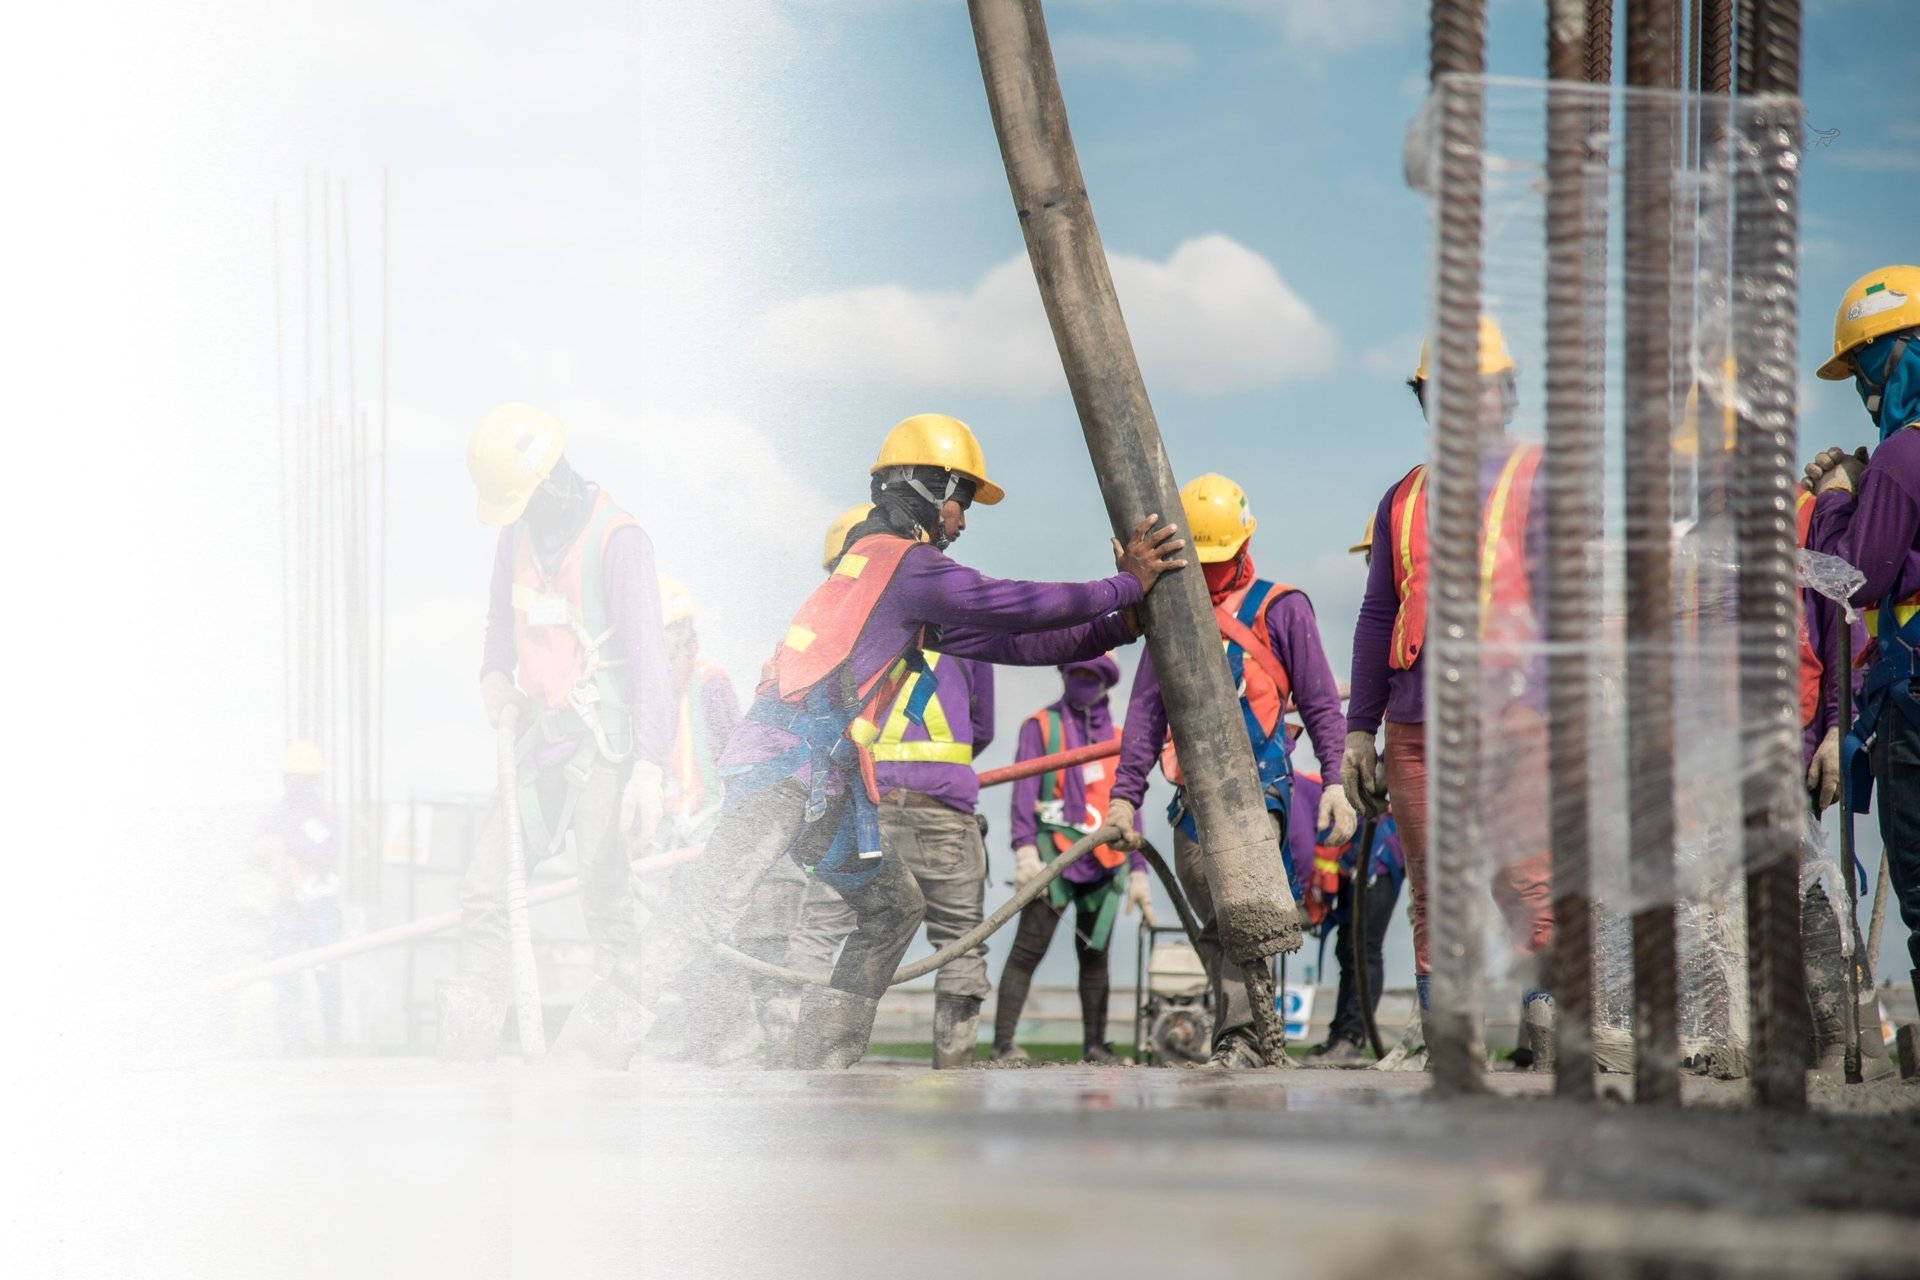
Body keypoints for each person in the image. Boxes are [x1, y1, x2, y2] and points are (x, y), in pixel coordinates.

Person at [555, 413, 1185, 1070]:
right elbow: (1013, 604)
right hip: (787, 774)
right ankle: (588, 1050)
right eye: (960, 499)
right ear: (924, 486)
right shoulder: (902, 566)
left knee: (891, 908)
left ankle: (823, 1057)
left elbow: (1013, 643)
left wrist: (1118, 624)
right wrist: (1123, 584)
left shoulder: (877, 570)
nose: (963, 520)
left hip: (813, 782)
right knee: (709, 907)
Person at [1341, 317, 1555, 1068]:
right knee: (1435, 891)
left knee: (1527, 881)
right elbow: (1377, 615)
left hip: (1517, 717)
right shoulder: (1402, 499)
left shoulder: (1541, 479)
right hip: (1418, 725)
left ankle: (1546, 1034)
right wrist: (1358, 731)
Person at [439, 403, 673, 1061]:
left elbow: (651, 659)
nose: (514, 513)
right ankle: (466, 1058)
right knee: (485, 893)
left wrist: (651, 768)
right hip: (540, 742)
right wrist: (493, 674)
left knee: (607, 906)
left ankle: (600, 1061)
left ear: (548, 481)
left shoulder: (619, 540)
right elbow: (497, 619)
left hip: (603, 749)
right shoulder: (513, 538)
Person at [1104, 473, 1355, 1069]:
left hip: (1257, 795)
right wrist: (1124, 797)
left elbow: (1320, 702)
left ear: (1244, 546)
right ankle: (1252, 1040)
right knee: (1218, 927)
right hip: (1190, 802)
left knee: (1243, 921)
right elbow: (1145, 712)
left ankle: (1241, 1040)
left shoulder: (1282, 609)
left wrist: (1337, 783)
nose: (1211, 571)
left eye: (1219, 558)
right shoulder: (1168, 610)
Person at [1803, 263, 1920, 1019]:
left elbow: (1854, 577)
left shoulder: (1904, 455)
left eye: (1868, 371)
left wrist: (1838, 495)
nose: (1867, 394)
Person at [991, 656, 1149, 1066]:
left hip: (1105, 862)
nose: (1084, 680)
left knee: (1096, 957)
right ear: (1064, 674)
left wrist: (1139, 871)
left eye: (1092, 675)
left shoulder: (1117, 737)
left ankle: (1095, 1046)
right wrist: (1024, 850)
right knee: (1028, 950)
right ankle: (1003, 1044)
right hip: (1054, 855)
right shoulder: (1040, 727)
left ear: (1105, 683)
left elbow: (1131, 802)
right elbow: (1024, 790)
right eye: (1077, 672)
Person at [1292, 767, 1404, 1065]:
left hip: (1378, 849)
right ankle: (1340, 1035)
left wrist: (1299, 899)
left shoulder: (1287, 789)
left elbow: (1301, 847)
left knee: (1363, 947)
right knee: (1347, 948)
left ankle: (1352, 1038)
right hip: (1353, 860)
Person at [264, 740, 344, 1054]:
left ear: (315, 781)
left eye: (306, 779)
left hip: (320, 903)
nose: (301, 785)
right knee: (285, 975)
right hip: (287, 908)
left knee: (328, 972)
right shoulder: (277, 815)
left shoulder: (323, 814)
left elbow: (328, 852)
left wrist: (293, 849)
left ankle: (333, 1040)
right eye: (296, 778)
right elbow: (260, 850)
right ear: (287, 780)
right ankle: (291, 1043)